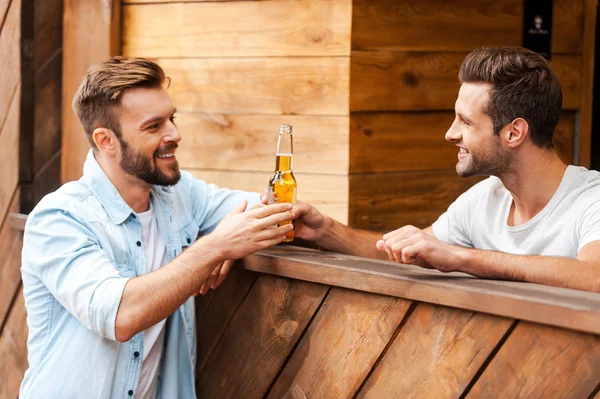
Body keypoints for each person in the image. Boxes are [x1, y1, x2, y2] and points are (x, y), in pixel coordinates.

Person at [19, 57, 295, 398]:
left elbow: (271, 211)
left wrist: (234, 235)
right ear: (106, 141)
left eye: (172, 119)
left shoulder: (179, 194)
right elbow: (120, 315)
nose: (175, 135)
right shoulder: (59, 219)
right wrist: (215, 248)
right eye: (154, 126)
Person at [284, 46, 600, 293]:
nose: (451, 133)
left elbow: (595, 276)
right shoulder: (483, 200)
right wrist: (325, 231)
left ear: (514, 133)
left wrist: (464, 257)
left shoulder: (591, 200)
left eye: (465, 121)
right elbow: (405, 251)